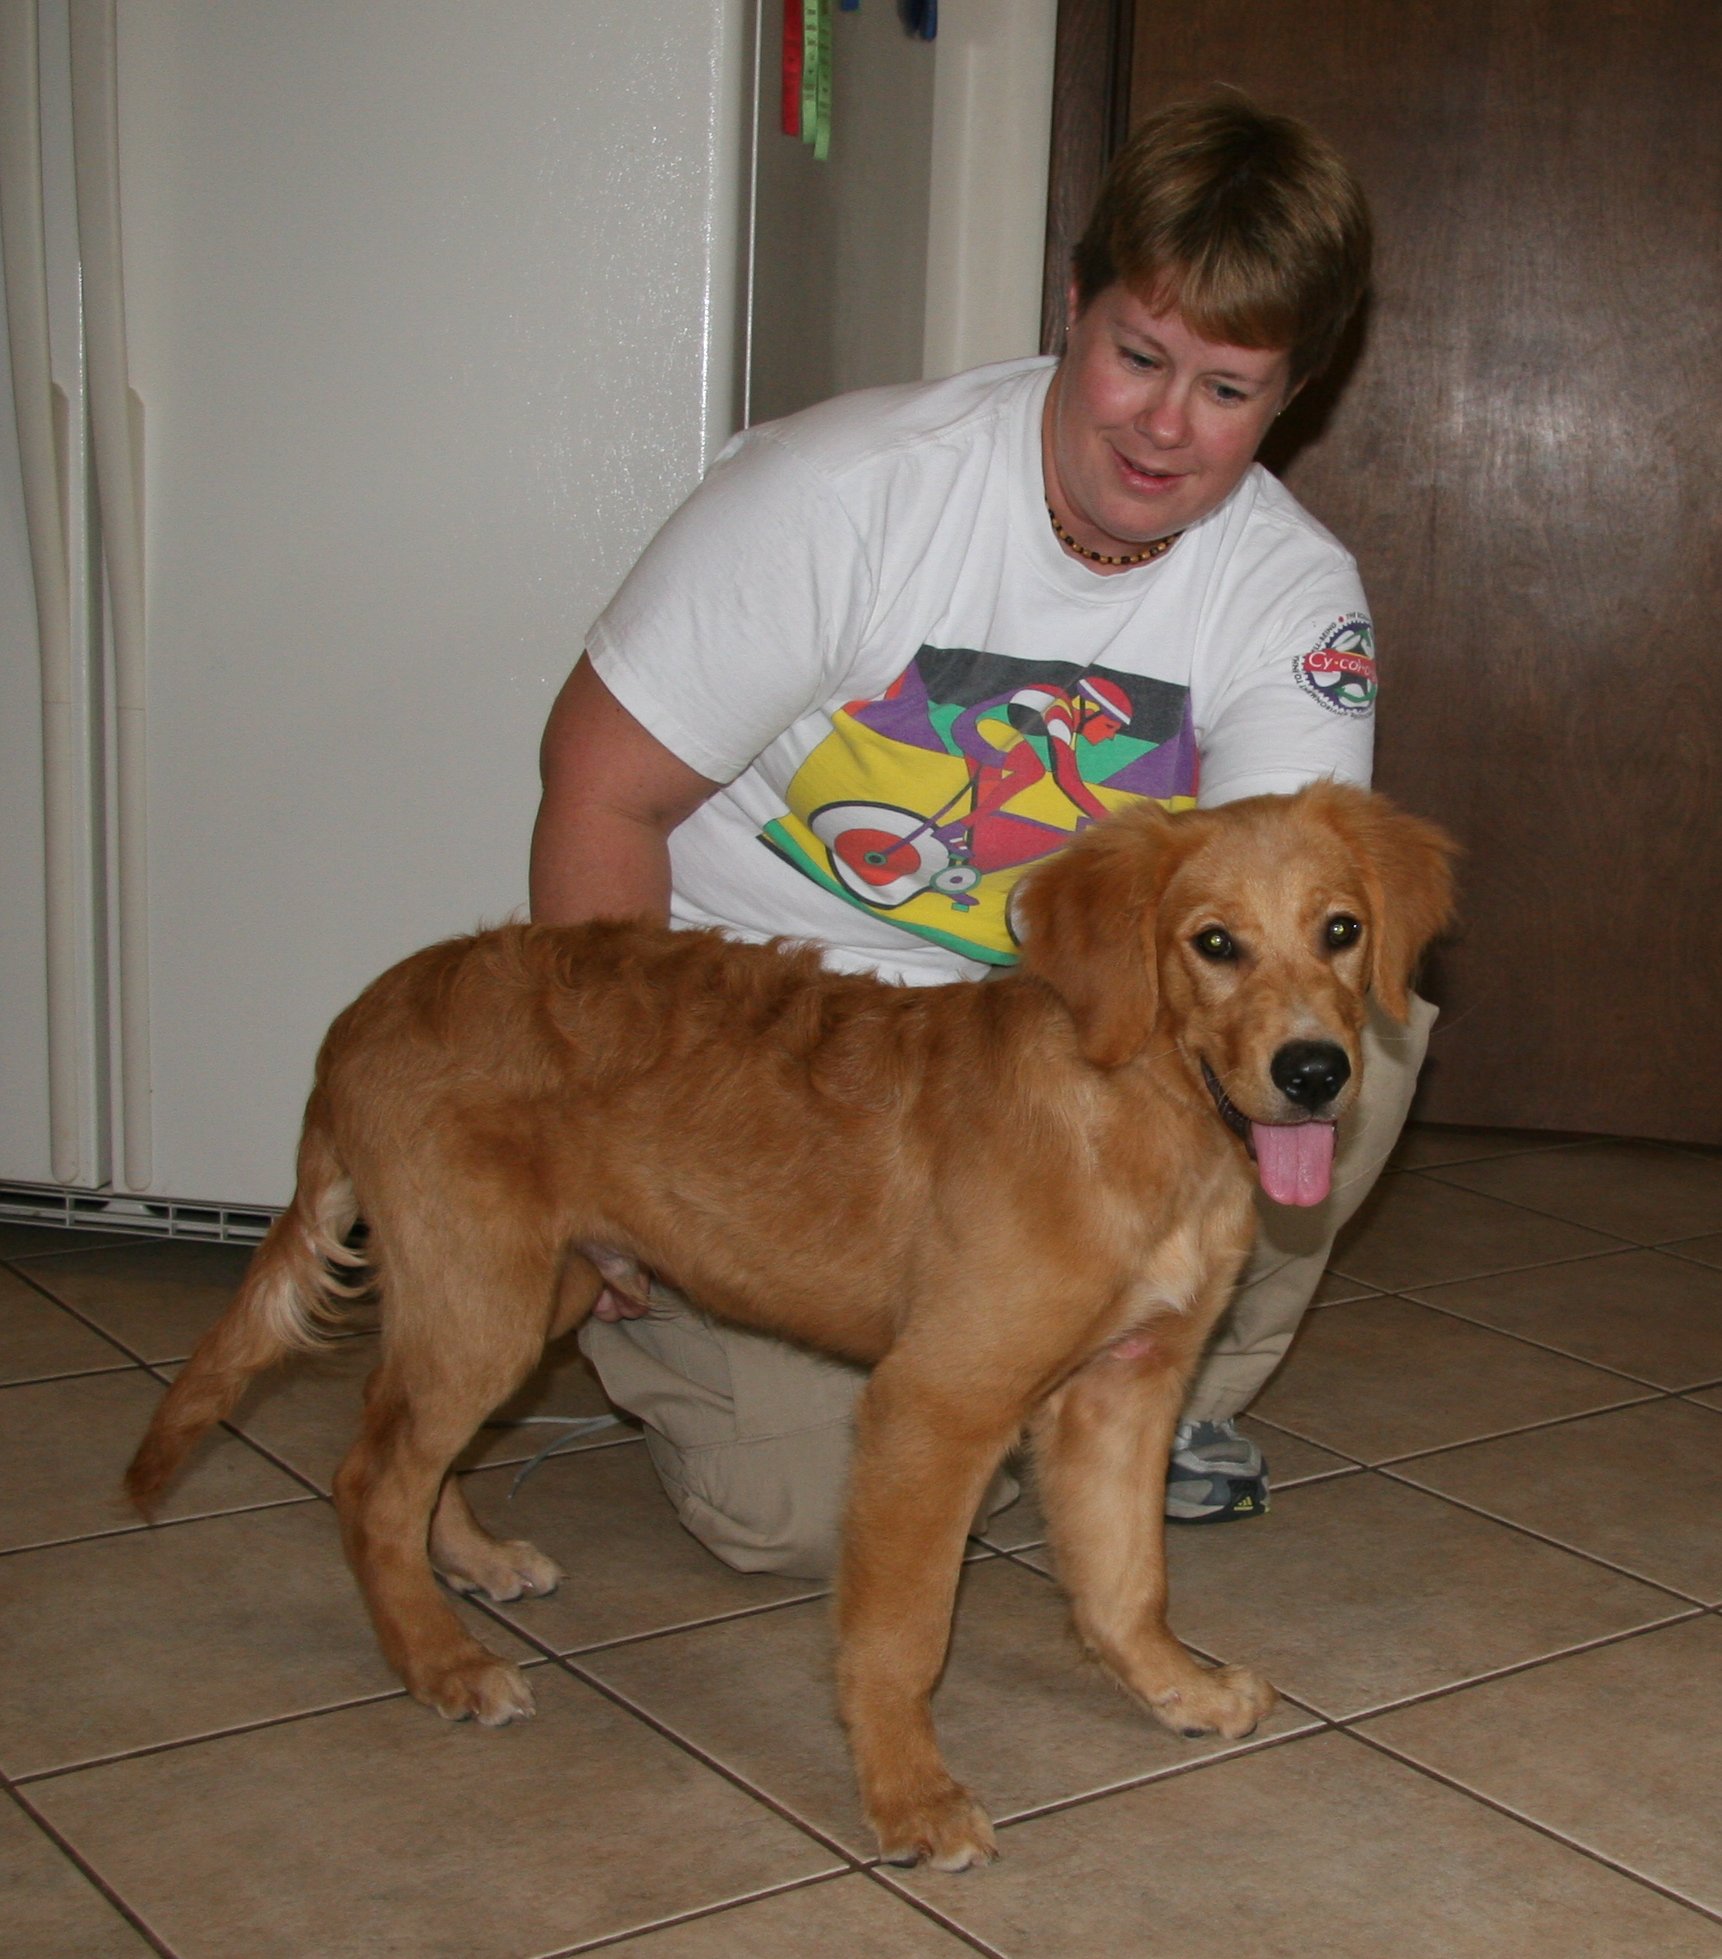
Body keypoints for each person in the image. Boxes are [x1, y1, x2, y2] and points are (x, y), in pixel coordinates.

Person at [528, 91, 1435, 1577]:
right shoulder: (837, 499)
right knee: (795, 1521)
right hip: (777, 1064)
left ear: (1296, 392)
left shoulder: (1290, 596)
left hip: (1062, 1043)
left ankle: (1151, 1382)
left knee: (1347, 1020)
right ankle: (1020, 1368)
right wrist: (603, 1148)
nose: (1160, 425)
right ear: (1070, 306)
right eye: (1137, 356)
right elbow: (598, 794)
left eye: (1224, 388)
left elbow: (1284, 917)